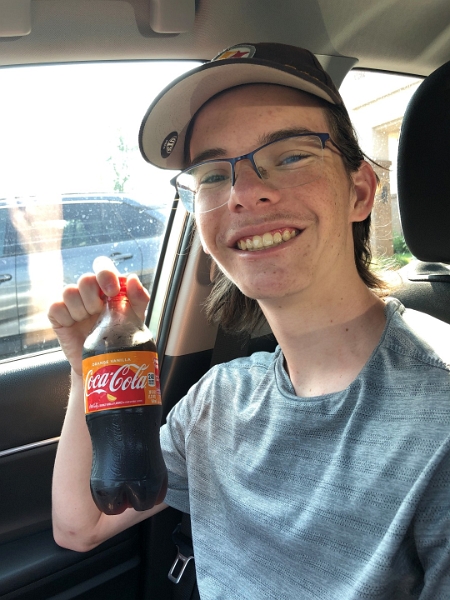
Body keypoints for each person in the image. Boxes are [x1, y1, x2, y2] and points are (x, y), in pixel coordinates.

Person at [50, 43, 450, 599]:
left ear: (359, 191)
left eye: (290, 156)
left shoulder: (439, 412)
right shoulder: (217, 402)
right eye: (213, 174)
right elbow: (80, 525)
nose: (243, 193)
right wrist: (86, 368)